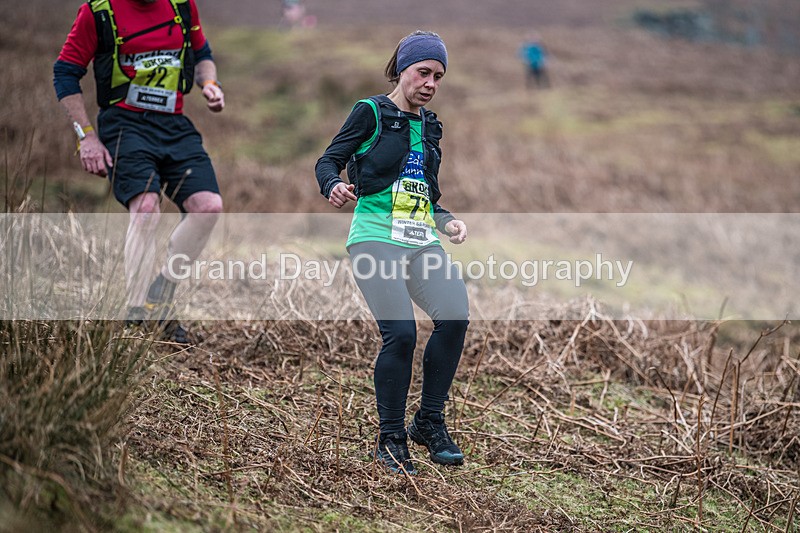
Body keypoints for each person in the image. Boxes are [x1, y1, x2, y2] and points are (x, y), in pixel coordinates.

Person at [315, 31, 470, 474]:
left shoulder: (431, 125)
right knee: (400, 333)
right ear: (403, 69)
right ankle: (390, 437)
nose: (431, 83)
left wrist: (447, 221)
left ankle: (429, 421)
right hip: (375, 236)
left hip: (421, 239)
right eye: (424, 72)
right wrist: (334, 185)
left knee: (455, 316)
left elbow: (425, 193)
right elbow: (329, 160)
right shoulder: (370, 112)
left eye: (438, 76)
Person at [54, 0, 226, 343]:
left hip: (174, 124)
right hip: (124, 123)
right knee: (145, 210)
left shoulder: (181, 5)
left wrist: (209, 84)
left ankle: (160, 292)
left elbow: (201, 52)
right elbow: (65, 72)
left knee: (209, 207)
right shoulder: (99, 11)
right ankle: (135, 317)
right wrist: (86, 137)